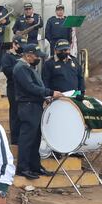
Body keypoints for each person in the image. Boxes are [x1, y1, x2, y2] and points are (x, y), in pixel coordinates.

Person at [13, 44, 62, 180]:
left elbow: (36, 86)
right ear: (28, 55)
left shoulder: (29, 67)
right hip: (28, 106)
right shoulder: (21, 68)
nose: (38, 59)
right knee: (27, 139)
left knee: (35, 139)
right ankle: (23, 168)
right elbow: (30, 87)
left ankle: (35, 166)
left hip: (35, 105)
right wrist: (50, 92)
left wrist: (45, 97)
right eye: (36, 56)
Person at [1, 37, 25, 145]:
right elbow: (7, 71)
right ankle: (15, 140)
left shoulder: (22, 56)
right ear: (14, 45)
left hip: (23, 88)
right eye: (20, 45)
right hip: (13, 88)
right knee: (15, 114)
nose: (22, 48)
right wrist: (20, 66)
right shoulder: (7, 56)